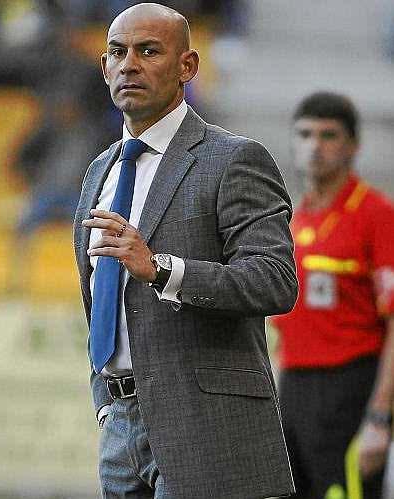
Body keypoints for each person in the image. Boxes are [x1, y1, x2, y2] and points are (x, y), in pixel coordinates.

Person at [73, 4, 298, 498]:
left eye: (148, 51)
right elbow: (99, 303)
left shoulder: (234, 159)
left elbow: (274, 280)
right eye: (117, 52)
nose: (129, 64)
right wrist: (106, 402)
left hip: (208, 430)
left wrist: (161, 269)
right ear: (105, 68)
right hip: (120, 430)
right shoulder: (98, 174)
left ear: (187, 67)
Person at [272, 92, 394, 498]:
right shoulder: (295, 218)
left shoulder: (375, 214)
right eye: (305, 134)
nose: (315, 146)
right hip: (294, 386)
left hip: (350, 387)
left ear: (353, 146)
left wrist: (379, 416)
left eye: (329, 135)